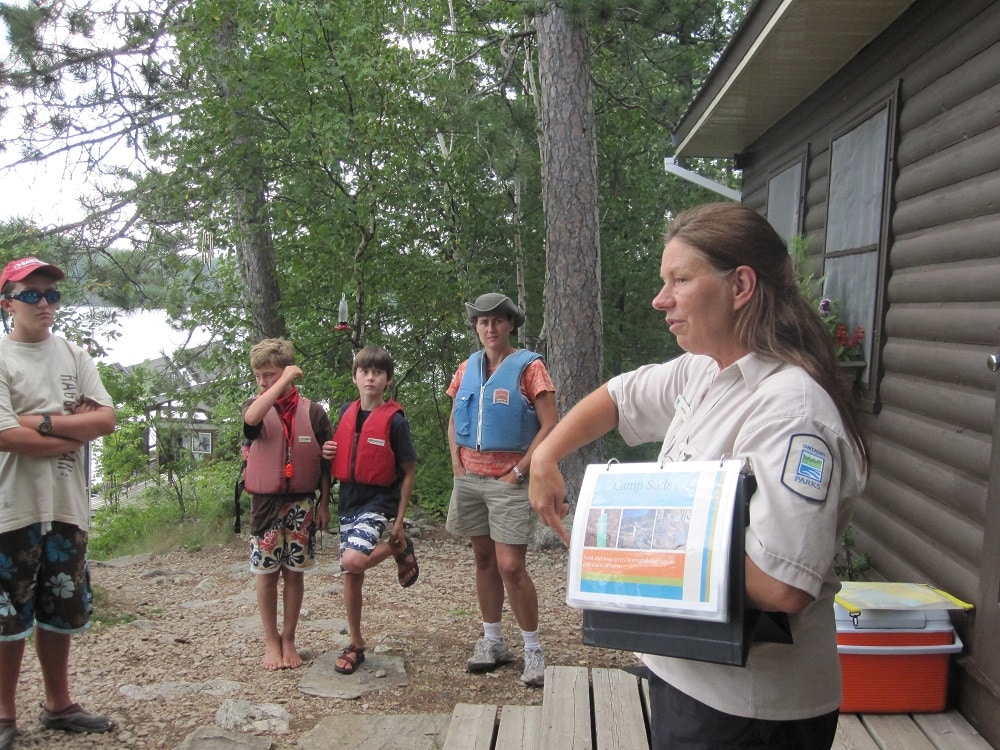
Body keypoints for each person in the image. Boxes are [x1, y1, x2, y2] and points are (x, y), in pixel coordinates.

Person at [529, 203, 869, 749]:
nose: (660, 299)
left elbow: (782, 584)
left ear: (741, 286)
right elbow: (618, 397)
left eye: (680, 280)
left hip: (748, 710)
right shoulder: (705, 370)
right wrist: (546, 456)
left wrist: (633, 543)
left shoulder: (790, 410)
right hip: (688, 676)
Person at [0, 256, 118, 748]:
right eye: (31, 295)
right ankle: (4, 715)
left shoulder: (74, 355)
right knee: (8, 616)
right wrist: (73, 431)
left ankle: (58, 704)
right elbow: (5, 436)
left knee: (60, 607)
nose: (44, 303)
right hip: (12, 505)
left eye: (52, 295)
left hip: (67, 505)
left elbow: (106, 419)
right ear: (7, 304)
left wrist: (37, 421)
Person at [446, 293, 558, 687]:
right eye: (483, 322)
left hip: (509, 481)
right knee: (483, 559)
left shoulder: (530, 367)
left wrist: (519, 471)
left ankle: (533, 649)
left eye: (497, 320)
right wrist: (457, 463)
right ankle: (493, 640)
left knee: (511, 566)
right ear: (476, 327)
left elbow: (550, 425)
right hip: (470, 479)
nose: (490, 328)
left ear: (511, 324)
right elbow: (455, 418)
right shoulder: (466, 368)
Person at [321, 345, 418, 675]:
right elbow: (337, 456)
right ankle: (356, 643)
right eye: (365, 371)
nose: (370, 377)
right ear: (355, 377)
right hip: (349, 500)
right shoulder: (346, 412)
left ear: (387, 380)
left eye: (378, 372)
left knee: (352, 561)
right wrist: (327, 452)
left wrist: (399, 521)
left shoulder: (395, 422)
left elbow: (408, 472)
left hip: (379, 501)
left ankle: (397, 547)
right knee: (352, 574)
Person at [243, 338, 332, 671]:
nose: (263, 382)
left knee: (294, 573)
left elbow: (326, 464)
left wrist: (324, 504)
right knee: (266, 574)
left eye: (270, 374)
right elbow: (252, 420)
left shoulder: (314, 412)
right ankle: (271, 640)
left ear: (286, 372)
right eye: (259, 376)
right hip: (265, 505)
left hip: (302, 504)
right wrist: (280, 383)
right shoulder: (253, 405)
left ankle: (289, 638)